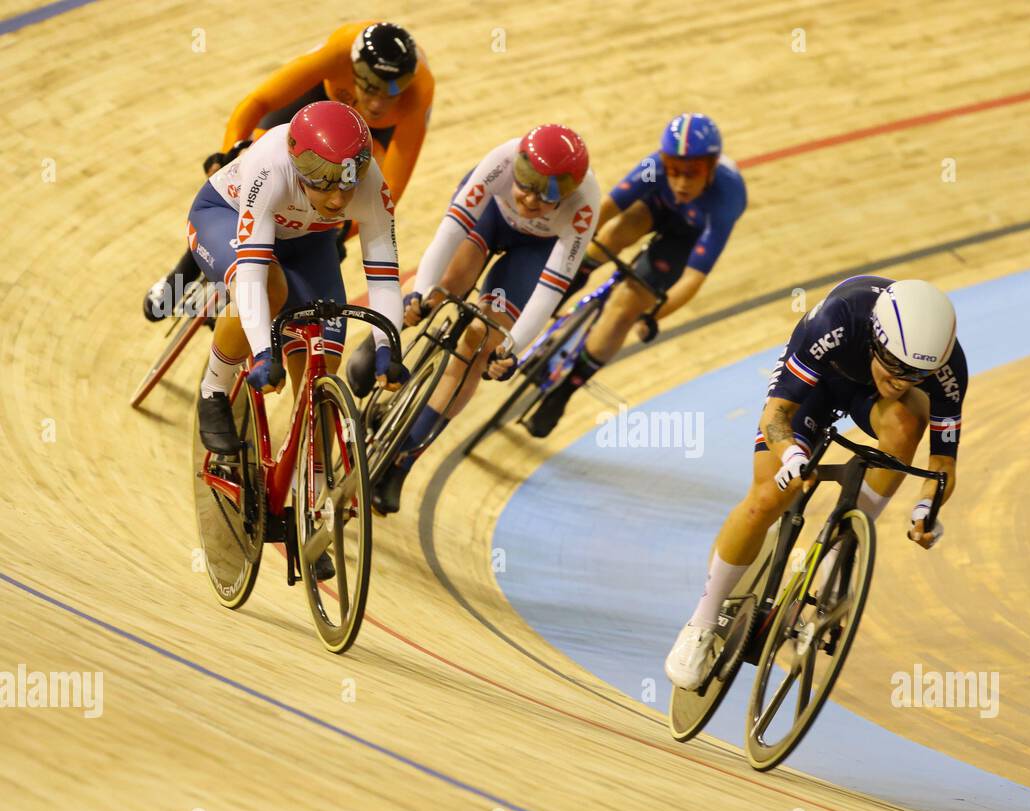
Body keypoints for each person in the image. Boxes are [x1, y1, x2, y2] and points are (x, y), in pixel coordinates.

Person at [664, 276, 968, 690]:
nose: (902, 381)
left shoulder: (947, 369)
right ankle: (700, 622)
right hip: (815, 386)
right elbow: (775, 418)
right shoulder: (836, 320)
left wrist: (925, 509)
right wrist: (792, 456)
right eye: (895, 367)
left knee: (909, 416)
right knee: (769, 497)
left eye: (918, 374)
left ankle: (845, 541)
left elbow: (943, 463)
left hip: (871, 404)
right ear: (875, 340)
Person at [188, 102, 404, 573]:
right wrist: (264, 352)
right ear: (296, 162)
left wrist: (389, 349)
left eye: (344, 183)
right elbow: (250, 275)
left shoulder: (369, 185)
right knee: (270, 285)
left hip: (307, 243)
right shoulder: (271, 165)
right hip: (225, 218)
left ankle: (310, 506)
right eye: (322, 182)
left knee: (322, 367)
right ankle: (213, 388)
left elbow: (385, 275)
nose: (335, 198)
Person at [347, 124, 600, 515]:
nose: (531, 200)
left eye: (547, 195)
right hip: (490, 218)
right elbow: (448, 236)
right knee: (446, 283)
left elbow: (550, 290)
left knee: (481, 342)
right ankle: (384, 338)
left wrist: (512, 348)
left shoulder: (584, 207)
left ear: (567, 194)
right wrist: (420, 293)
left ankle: (403, 462)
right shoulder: (501, 160)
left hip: (536, 250)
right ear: (517, 167)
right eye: (527, 183)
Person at [144, 21, 431, 321]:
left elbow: (389, 190)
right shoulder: (339, 51)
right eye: (371, 88)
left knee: (340, 206)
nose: (377, 103)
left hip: (369, 136)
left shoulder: (419, 91)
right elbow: (258, 102)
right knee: (244, 184)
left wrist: (341, 229)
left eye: (391, 94)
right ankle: (178, 280)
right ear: (353, 69)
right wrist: (235, 155)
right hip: (315, 104)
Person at [523, 113, 746, 437]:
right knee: (611, 235)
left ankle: (561, 394)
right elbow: (609, 207)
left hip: (685, 240)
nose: (682, 182)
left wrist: (654, 316)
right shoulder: (654, 166)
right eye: (674, 171)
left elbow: (693, 278)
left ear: (710, 168)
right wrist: (572, 247)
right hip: (657, 208)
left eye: (692, 174)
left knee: (624, 307)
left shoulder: (726, 199)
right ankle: (548, 302)